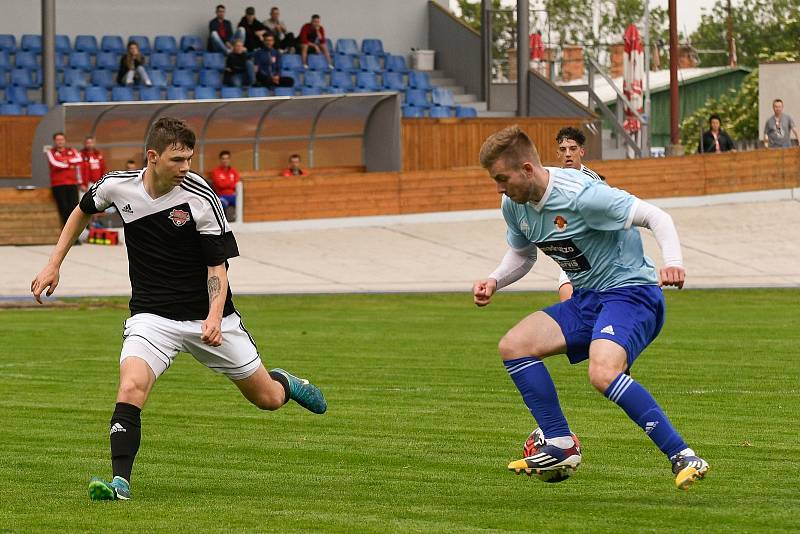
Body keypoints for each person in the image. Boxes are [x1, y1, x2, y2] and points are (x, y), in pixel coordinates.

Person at [31, 117, 327, 502]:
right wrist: (54, 263)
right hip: (152, 316)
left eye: (190, 158)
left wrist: (215, 315)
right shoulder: (117, 186)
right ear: (152, 157)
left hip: (208, 316)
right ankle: (120, 483)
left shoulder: (200, 196)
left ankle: (286, 382)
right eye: (178, 160)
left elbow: (217, 266)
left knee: (267, 399)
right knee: (131, 386)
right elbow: (82, 210)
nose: (186, 167)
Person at [471, 125, 708, 490]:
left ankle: (683, 454)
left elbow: (658, 217)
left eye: (503, 178)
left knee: (602, 373)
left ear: (528, 170)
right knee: (513, 345)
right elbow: (522, 253)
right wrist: (495, 280)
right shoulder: (513, 206)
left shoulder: (584, 196)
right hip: (586, 298)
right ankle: (561, 443)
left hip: (631, 293)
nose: (499, 188)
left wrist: (673, 261)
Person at [554, 126, 604, 301]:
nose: (568, 154)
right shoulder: (553, 180)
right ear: (558, 154)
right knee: (568, 306)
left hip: (594, 252)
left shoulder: (593, 180)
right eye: (563, 150)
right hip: (568, 250)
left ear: (581, 151)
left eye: (573, 149)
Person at [46, 132, 84, 229]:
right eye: (58, 140)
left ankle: (74, 233)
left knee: (74, 208)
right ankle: (66, 232)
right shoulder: (51, 152)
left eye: (61, 139)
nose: (60, 142)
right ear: (54, 141)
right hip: (58, 184)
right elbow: (55, 163)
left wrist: (65, 160)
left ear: (65, 140)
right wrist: (69, 163)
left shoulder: (72, 150)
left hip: (72, 183)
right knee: (64, 208)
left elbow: (79, 159)